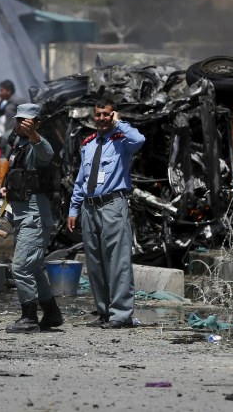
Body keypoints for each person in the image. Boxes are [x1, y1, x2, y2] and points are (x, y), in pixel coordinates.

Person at [67, 99, 145, 328]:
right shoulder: (89, 144)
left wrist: (119, 123)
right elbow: (81, 181)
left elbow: (140, 139)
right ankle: (103, 312)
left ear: (113, 115)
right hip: (89, 207)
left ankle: (121, 315)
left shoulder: (123, 142)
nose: (101, 118)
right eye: (98, 114)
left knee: (117, 262)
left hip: (113, 205)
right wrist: (74, 208)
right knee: (95, 262)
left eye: (106, 114)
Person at [3, 103, 63, 333]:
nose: (21, 124)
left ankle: (29, 317)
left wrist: (34, 135)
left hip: (35, 216)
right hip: (20, 215)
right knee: (33, 268)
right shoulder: (17, 145)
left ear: (37, 123)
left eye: (27, 121)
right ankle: (52, 312)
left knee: (20, 267)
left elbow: (47, 154)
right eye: (19, 120)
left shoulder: (38, 144)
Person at [0, 79, 19, 150]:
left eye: (1, 90)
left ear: (8, 91)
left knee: (8, 156)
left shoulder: (17, 101)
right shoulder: (8, 104)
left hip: (15, 135)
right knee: (3, 157)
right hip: (7, 134)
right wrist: (0, 101)